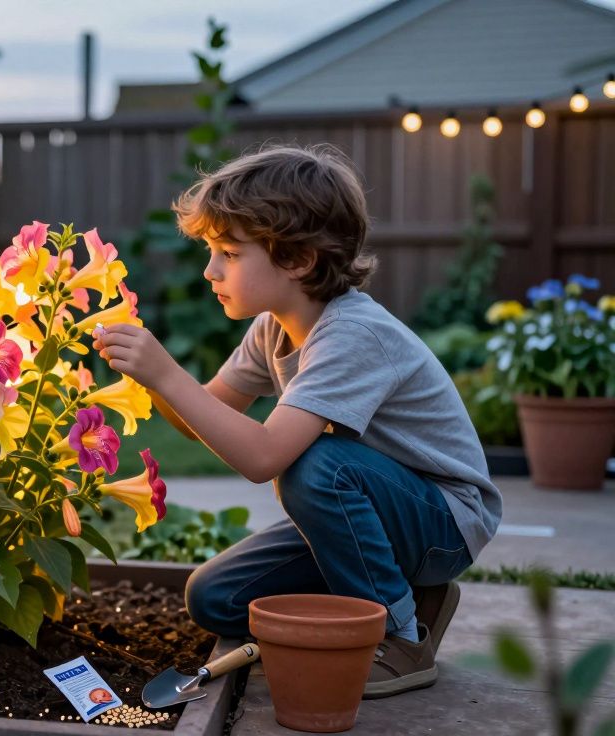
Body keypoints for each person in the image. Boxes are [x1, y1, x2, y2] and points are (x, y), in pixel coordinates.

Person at [93, 144, 501, 698]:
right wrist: (143, 373)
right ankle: (410, 592)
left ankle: (399, 637)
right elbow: (201, 417)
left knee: (314, 467)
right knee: (215, 597)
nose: (211, 269)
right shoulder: (272, 327)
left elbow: (264, 458)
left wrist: (166, 374)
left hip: (445, 522)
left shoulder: (352, 335)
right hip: (380, 512)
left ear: (298, 259)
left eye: (229, 253)